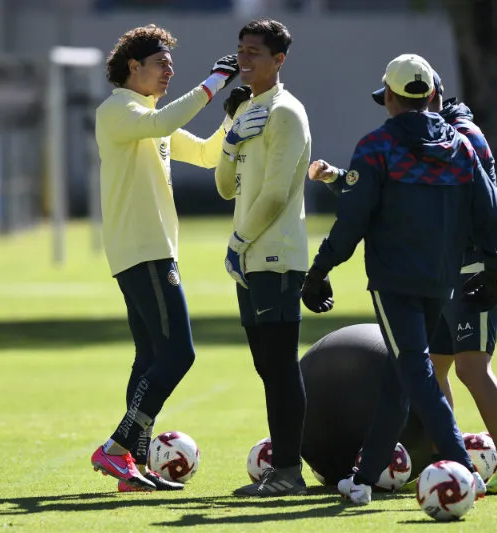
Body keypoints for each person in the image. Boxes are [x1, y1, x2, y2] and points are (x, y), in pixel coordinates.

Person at [301, 53, 497, 505]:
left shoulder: (377, 146)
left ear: (390, 97)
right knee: (400, 375)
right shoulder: (460, 145)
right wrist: (492, 266)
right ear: (432, 95)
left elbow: (353, 217)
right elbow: (491, 210)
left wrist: (320, 269)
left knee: (415, 372)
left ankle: (465, 471)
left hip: (396, 282)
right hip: (442, 280)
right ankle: (364, 477)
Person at [90, 24, 239, 493]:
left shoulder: (151, 115)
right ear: (133, 67)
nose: (169, 71)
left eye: (171, 65)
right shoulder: (117, 110)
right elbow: (158, 125)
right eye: (161, 64)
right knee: (180, 353)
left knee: (152, 356)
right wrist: (213, 84)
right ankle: (116, 448)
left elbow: (206, 155)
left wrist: (233, 117)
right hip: (142, 250)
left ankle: (131, 463)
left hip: (151, 249)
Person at [381, 71, 497, 494]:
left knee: (471, 366)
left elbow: (490, 204)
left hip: (477, 270)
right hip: (446, 273)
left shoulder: (464, 135)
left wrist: (486, 262)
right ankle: (450, 460)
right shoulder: (428, 138)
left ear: (426, 97)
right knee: (436, 368)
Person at [214, 18, 312, 497]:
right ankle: (285, 469)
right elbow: (224, 187)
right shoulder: (249, 110)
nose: (244, 60)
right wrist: (230, 140)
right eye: (240, 51)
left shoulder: (286, 112)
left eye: (254, 52)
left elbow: (274, 195)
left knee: (279, 365)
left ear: (279, 60)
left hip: (274, 256)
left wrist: (238, 241)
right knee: (267, 367)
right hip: (250, 258)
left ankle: (290, 472)